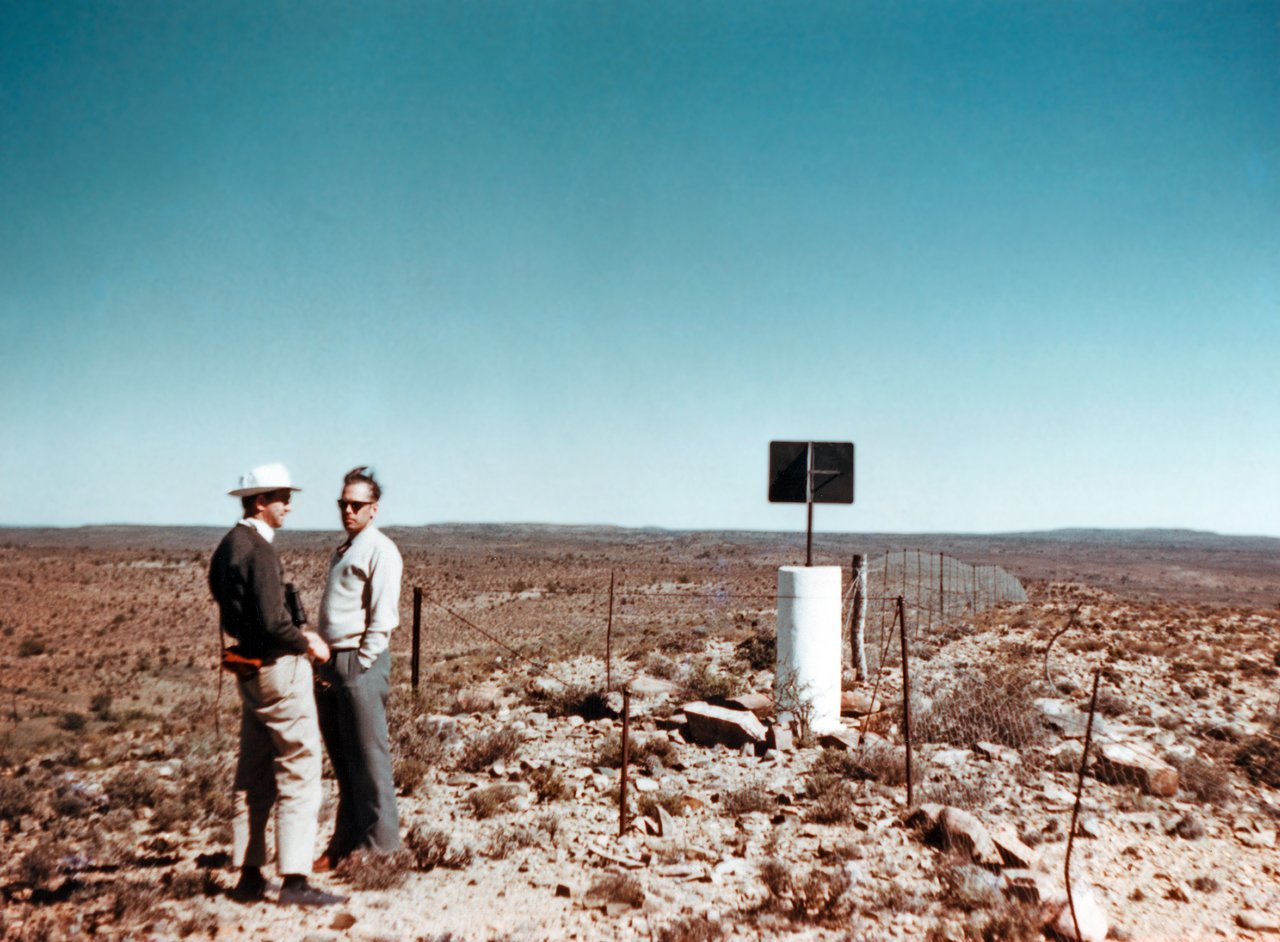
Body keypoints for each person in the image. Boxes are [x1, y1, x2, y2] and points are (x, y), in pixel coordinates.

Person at [208, 463, 346, 908]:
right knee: (299, 770)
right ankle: (294, 880)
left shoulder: (229, 546)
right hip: (278, 669)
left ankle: (249, 875)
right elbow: (272, 621)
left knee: (253, 773)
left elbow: (230, 605)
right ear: (260, 501)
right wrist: (307, 642)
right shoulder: (260, 551)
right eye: (282, 497)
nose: (288, 504)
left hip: (250, 670)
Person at [314, 466, 403, 868]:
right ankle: (345, 845)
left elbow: (383, 617)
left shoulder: (380, 550)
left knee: (369, 758)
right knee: (344, 760)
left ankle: (381, 850)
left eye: (356, 504)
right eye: (343, 504)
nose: (348, 511)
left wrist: (362, 663)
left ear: (373, 508)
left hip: (357, 662)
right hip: (331, 662)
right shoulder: (346, 549)